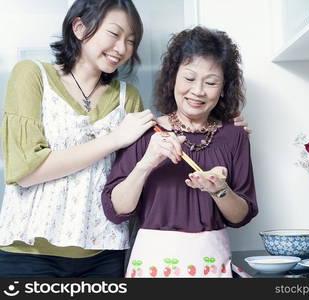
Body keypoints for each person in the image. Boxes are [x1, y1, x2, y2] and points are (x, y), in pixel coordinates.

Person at [0, 0, 155, 278]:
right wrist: (114, 138)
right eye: (114, 34)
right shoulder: (32, 75)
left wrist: (220, 126)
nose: (122, 48)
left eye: (131, 41)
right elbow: (26, 171)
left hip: (105, 254)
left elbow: (136, 173)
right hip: (28, 254)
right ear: (80, 27)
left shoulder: (126, 96)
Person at [101, 26, 258, 278]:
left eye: (210, 82)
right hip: (153, 266)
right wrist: (147, 162)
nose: (198, 91)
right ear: (172, 76)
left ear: (223, 87)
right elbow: (116, 210)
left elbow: (241, 216)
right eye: (189, 78)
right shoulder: (145, 131)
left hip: (212, 265)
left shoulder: (235, 136)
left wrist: (218, 188)